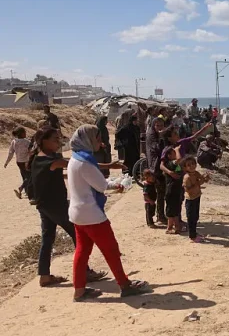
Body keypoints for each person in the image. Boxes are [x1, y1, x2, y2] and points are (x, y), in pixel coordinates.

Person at [67, 125, 148, 301]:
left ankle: (79, 290)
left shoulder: (75, 158)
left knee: (82, 252)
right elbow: (102, 185)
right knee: (110, 249)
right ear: (88, 140)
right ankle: (125, 285)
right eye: (97, 138)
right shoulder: (85, 162)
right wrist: (118, 185)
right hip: (91, 214)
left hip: (77, 213)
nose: (101, 142)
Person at [28, 127, 107, 287]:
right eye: (55, 139)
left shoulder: (40, 158)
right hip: (56, 206)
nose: (59, 142)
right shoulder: (50, 160)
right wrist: (109, 165)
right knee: (78, 236)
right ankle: (84, 272)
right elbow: (79, 165)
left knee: (47, 239)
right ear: (44, 141)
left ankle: (44, 275)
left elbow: (66, 172)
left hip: (44, 206)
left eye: (59, 138)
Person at [146, 116, 168, 224]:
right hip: (155, 168)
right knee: (156, 194)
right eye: (157, 125)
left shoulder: (156, 135)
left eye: (162, 125)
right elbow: (158, 149)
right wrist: (160, 136)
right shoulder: (152, 136)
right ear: (153, 125)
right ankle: (156, 217)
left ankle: (160, 215)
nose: (160, 127)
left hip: (158, 166)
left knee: (160, 194)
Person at [183, 156, 209, 243]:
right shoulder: (187, 177)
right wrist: (197, 184)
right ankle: (192, 237)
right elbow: (187, 190)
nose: (192, 166)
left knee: (196, 217)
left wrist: (205, 178)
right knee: (191, 218)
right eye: (189, 165)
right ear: (185, 167)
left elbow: (201, 181)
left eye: (193, 164)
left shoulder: (196, 173)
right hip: (190, 199)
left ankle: (194, 233)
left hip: (197, 197)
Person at [161, 146, 184, 234]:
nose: (176, 154)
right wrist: (177, 150)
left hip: (176, 190)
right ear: (169, 155)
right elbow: (179, 159)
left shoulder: (174, 165)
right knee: (172, 210)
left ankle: (173, 227)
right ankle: (172, 227)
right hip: (171, 190)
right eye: (173, 153)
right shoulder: (170, 164)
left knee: (175, 209)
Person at [5, 127, 31, 199]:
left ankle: (27, 191)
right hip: (26, 162)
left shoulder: (14, 142)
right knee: (30, 176)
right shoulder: (27, 142)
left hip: (19, 162)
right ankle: (21, 188)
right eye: (25, 132)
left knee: (24, 176)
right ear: (22, 133)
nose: (26, 134)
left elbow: (10, 153)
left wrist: (7, 162)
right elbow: (30, 152)